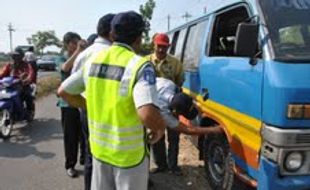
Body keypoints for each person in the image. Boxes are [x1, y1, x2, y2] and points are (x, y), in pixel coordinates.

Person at [57, 11, 166, 190]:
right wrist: (160, 128)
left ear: (113, 34)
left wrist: (89, 105)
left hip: (100, 151)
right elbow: (147, 114)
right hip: (129, 158)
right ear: (139, 37)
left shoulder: (93, 61)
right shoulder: (139, 65)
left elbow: (63, 91)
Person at [71, 13, 115, 190]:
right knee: (112, 156)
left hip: (88, 112)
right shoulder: (115, 53)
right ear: (112, 32)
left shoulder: (84, 55)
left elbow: (71, 88)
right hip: (111, 113)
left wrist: (87, 104)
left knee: (91, 155)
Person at [148, 33, 184, 175]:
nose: (161, 50)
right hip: (154, 106)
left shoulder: (175, 63)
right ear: (154, 45)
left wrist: (176, 106)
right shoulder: (146, 62)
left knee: (174, 136)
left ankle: (173, 166)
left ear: (168, 47)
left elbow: (180, 84)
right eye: (159, 47)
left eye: (164, 47)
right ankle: (161, 164)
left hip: (171, 105)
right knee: (157, 135)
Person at [56, 32, 87, 178]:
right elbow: (65, 68)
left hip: (81, 102)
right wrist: (77, 52)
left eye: (77, 43)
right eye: (73, 43)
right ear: (66, 44)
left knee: (83, 134)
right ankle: (70, 165)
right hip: (67, 104)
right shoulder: (61, 57)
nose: (76, 46)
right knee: (70, 137)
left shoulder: (81, 56)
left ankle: (84, 159)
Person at [0, 48, 35, 115]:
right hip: (9, 86)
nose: (15, 57)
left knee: (28, 95)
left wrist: (27, 80)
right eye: (14, 55)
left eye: (17, 55)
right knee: (2, 95)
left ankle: (30, 111)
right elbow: (2, 73)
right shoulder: (9, 65)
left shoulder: (26, 65)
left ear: (21, 56)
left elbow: (31, 73)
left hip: (22, 85)